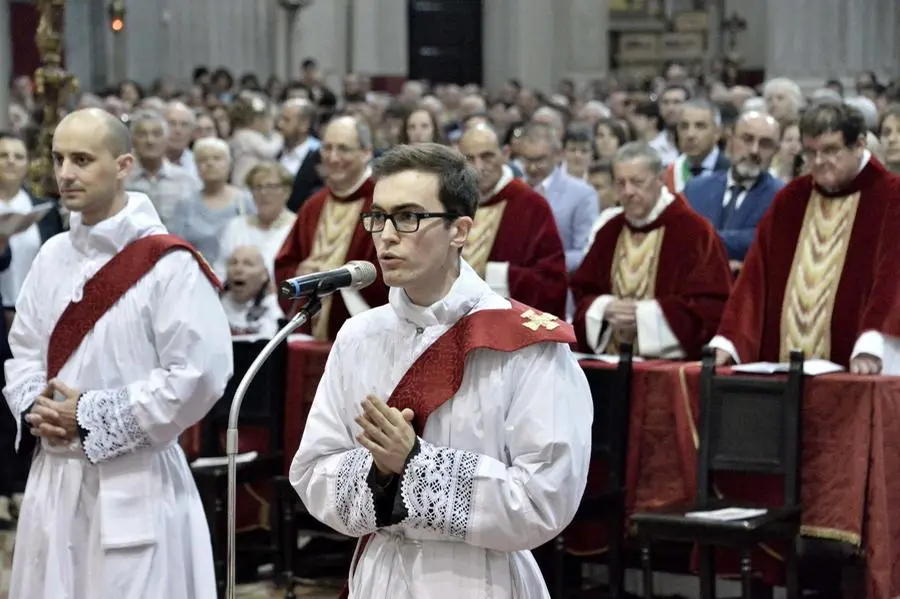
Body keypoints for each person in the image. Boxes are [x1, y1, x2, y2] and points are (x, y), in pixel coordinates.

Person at [290, 143, 592, 598]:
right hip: (380, 576)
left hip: (478, 578)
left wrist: (415, 464)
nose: (386, 236)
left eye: (409, 217)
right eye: (378, 217)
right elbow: (313, 470)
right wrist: (383, 473)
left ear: (459, 230)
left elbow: (545, 497)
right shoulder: (358, 337)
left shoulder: (524, 343)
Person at [3, 108, 233, 598]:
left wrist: (88, 414)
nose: (65, 173)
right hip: (53, 479)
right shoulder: (51, 257)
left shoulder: (170, 264)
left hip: (138, 479)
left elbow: (200, 375)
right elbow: (22, 350)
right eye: (59, 158)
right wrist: (34, 405)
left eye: (83, 159)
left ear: (124, 164)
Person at [711, 103, 900, 373]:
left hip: (859, 362)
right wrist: (730, 339)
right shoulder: (793, 198)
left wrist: (873, 341)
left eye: (831, 150)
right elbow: (756, 274)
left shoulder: (891, 196)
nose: (820, 162)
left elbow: (893, 278)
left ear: (859, 145)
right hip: (783, 370)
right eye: (811, 152)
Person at [571, 142, 732, 359]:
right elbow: (583, 293)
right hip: (608, 366)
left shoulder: (695, 233)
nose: (628, 192)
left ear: (661, 180)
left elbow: (712, 308)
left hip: (669, 370)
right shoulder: (609, 232)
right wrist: (604, 309)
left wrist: (644, 316)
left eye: (637, 182)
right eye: (620, 183)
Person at [274, 114, 388, 340]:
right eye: (327, 148)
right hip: (308, 338)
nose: (333, 158)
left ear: (366, 153)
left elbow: (392, 273)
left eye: (344, 149)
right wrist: (300, 273)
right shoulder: (313, 205)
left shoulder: (382, 202)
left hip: (365, 338)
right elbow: (285, 263)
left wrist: (342, 278)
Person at [456, 124, 568, 318]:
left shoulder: (531, 205)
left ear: (505, 154)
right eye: (469, 159)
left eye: (487, 156)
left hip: (509, 326)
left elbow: (553, 283)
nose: (478, 167)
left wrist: (495, 275)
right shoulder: (450, 204)